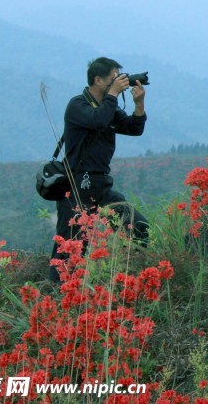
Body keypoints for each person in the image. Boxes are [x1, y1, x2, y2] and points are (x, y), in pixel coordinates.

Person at [48, 57, 150, 283]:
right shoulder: (78, 106)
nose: (119, 82)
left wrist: (139, 104)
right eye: (114, 78)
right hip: (77, 187)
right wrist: (113, 95)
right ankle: (56, 299)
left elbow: (134, 128)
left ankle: (129, 279)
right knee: (70, 249)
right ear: (98, 80)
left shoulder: (108, 107)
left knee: (138, 226)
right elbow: (98, 120)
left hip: (101, 185)